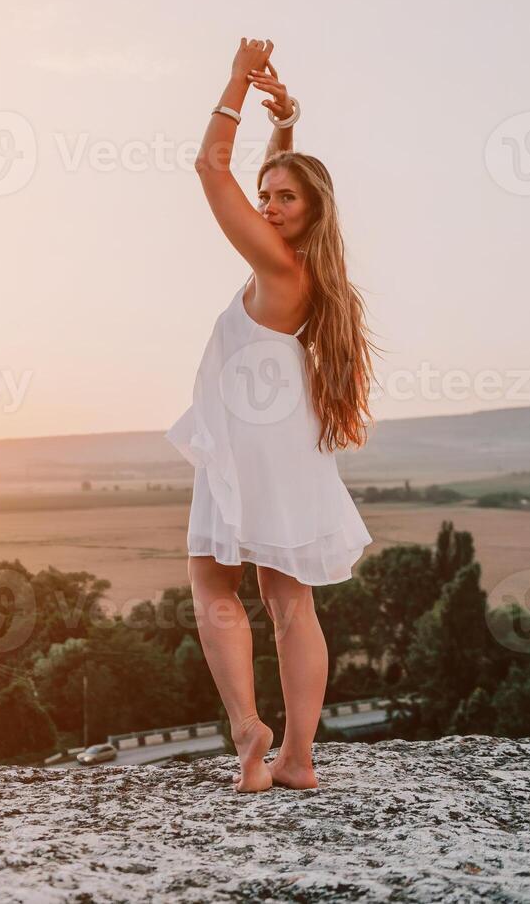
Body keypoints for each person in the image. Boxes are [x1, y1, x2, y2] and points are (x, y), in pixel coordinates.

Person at [165, 38, 382, 793]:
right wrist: (284, 124)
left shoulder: (274, 263)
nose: (268, 206)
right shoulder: (310, 270)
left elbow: (209, 168)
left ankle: (247, 729)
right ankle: (297, 758)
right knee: (290, 601)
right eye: (269, 196)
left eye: (284, 199)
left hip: (250, 441)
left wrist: (231, 81)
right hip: (290, 442)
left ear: (309, 213)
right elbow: (273, 186)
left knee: (210, 584)